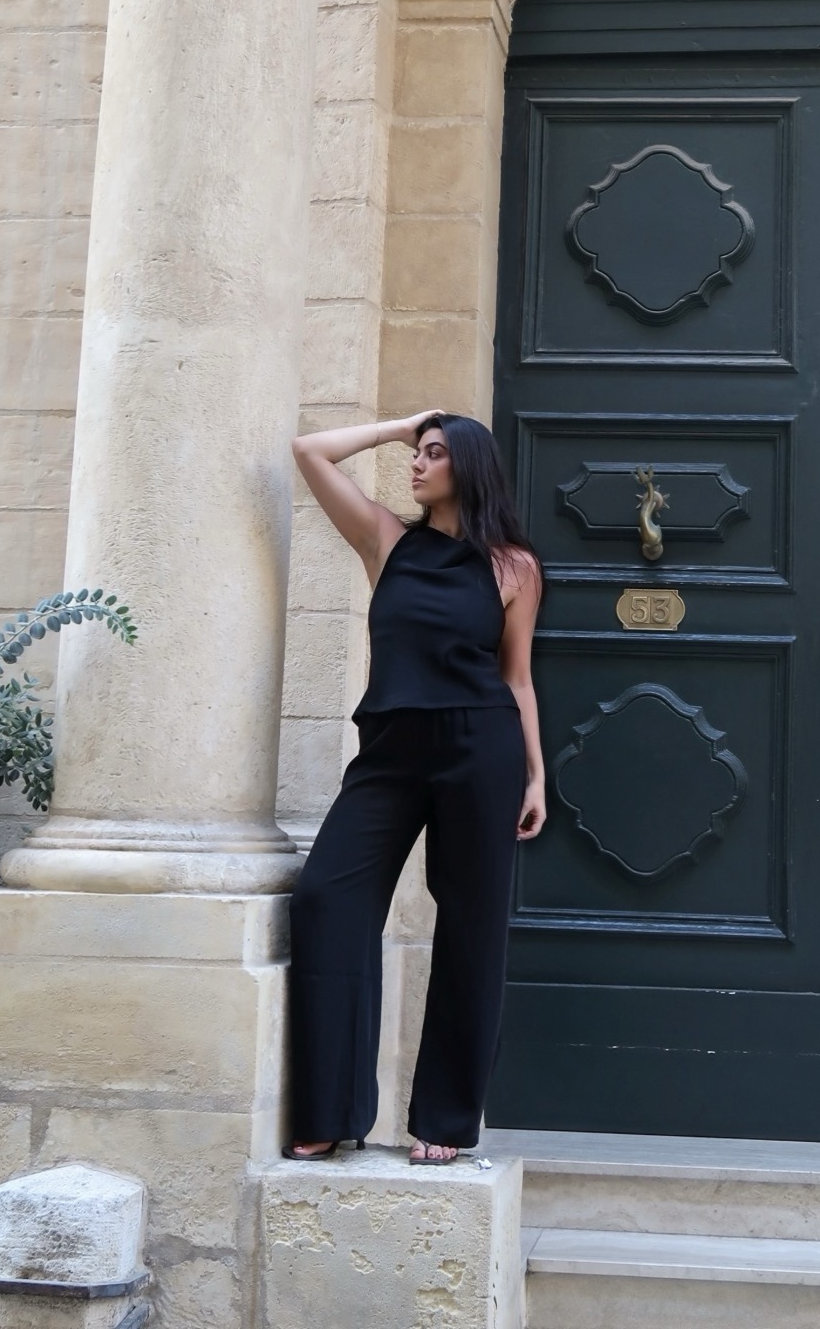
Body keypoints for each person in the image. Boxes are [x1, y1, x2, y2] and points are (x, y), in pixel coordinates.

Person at [282, 409, 546, 1164]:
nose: (417, 464)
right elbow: (310, 452)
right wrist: (401, 425)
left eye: (434, 454)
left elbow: (517, 678)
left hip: (481, 747)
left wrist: (535, 775)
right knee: (328, 896)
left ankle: (444, 1122)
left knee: (471, 927)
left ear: (468, 466)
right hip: (391, 751)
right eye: (417, 453)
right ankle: (330, 1111)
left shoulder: (513, 567)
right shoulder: (387, 541)